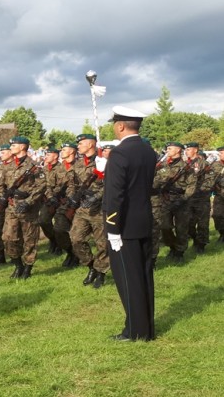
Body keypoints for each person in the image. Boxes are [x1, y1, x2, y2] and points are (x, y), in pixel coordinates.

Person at [103, 106, 156, 341]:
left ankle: (135, 331)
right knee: (144, 277)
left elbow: (115, 196)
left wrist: (112, 229)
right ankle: (147, 328)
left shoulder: (120, 154)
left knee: (128, 279)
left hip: (124, 226)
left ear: (121, 125)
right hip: (144, 221)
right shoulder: (148, 150)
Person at [0, 136, 46, 279]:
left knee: (30, 239)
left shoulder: (34, 166)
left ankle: (28, 268)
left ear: (23, 147)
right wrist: (2, 197)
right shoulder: (8, 165)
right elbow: (0, 184)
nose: (11, 147)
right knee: (8, 238)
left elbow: (42, 186)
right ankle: (18, 264)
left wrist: (28, 201)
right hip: (12, 207)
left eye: (14, 145)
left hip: (28, 208)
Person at [67, 134, 109, 288]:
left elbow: (111, 184)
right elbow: (72, 183)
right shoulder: (77, 164)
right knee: (76, 238)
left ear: (91, 144)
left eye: (81, 143)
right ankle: (91, 266)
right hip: (83, 208)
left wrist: (97, 196)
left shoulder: (103, 162)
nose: (78, 146)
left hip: (100, 209)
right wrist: (72, 197)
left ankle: (101, 273)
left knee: (102, 243)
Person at [156, 142, 196, 262]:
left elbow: (191, 185)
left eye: (170, 148)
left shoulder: (186, 167)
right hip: (166, 200)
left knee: (181, 228)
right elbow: (156, 180)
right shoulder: (162, 165)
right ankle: (172, 245)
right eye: (167, 148)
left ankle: (180, 252)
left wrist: (184, 199)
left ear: (178, 150)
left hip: (181, 200)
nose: (167, 150)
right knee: (164, 227)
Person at [183, 142, 214, 254]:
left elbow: (210, 180)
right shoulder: (184, 164)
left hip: (201, 198)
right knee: (189, 223)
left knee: (202, 223)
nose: (186, 152)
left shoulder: (204, 163)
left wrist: (201, 190)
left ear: (195, 150)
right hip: (188, 198)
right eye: (185, 150)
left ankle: (201, 245)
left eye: (189, 149)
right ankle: (195, 239)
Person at [39, 148, 61, 256]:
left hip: (59, 199)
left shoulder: (61, 169)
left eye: (48, 154)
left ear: (55, 156)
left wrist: (53, 195)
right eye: (45, 154)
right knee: (43, 221)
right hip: (46, 200)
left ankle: (60, 245)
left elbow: (62, 186)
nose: (46, 156)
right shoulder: (44, 169)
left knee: (58, 225)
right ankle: (53, 240)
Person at [210, 146, 224, 243]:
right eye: (219, 153)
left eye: (222, 153)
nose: (220, 155)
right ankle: (222, 233)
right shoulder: (215, 165)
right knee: (217, 215)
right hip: (219, 194)